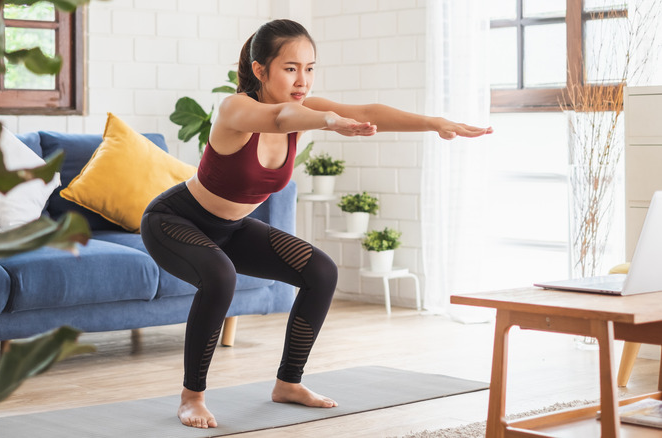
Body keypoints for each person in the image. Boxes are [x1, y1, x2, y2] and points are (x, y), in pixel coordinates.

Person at [140, 18, 492, 429]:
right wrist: (327, 120)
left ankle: (288, 383)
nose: (302, 79)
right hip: (174, 220)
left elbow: (366, 111)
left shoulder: (304, 108)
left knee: (320, 271)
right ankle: (192, 397)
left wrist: (435, 123)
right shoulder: (235, 108)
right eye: (290, 68)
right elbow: (277, 119)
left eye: (309, 68)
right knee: (220, 276)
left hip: (231, 228)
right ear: (260, 69)